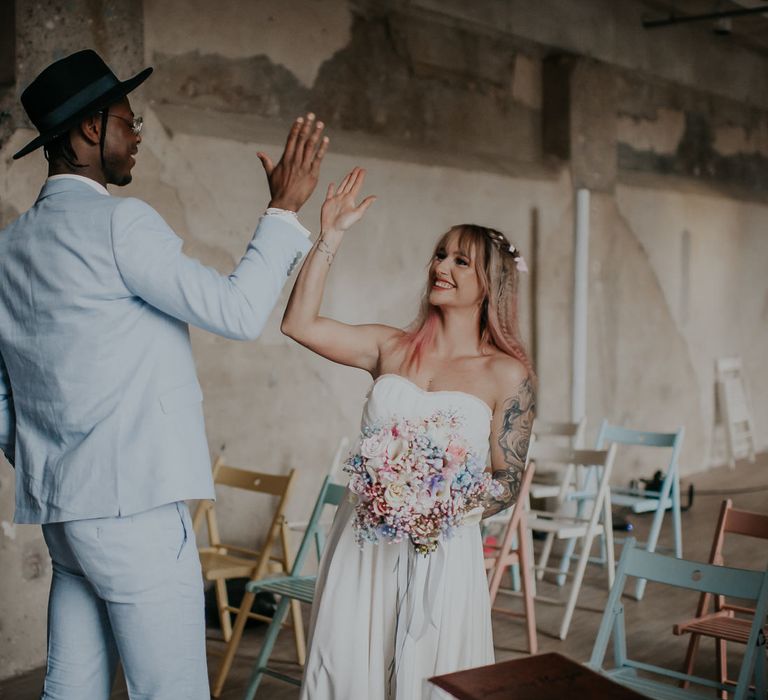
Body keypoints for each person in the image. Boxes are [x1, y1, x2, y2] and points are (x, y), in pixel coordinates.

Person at [0, 49, 328, 699]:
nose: (137, 136)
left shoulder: (10, 245)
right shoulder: (121, 223)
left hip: (64, 511)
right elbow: (235, 310)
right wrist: (285, 213)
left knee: (70, 690)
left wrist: (47, 455)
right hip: (136, 509)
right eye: (129, 122)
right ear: (91, 130)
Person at [281, 167, 536, 699]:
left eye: (460, 261)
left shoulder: (506, 374)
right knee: (346, 664)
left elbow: (506, 480)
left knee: (431, 674)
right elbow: (298, 324)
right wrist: (330, 236)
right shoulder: (389, 347)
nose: (441, 266)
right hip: (364, 541)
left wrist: (435, 507)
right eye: (440, 255)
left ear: (489, 283)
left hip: (441, 548)